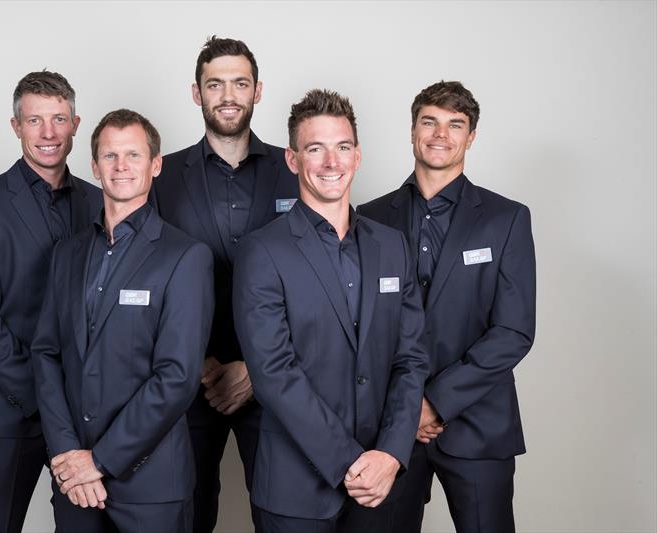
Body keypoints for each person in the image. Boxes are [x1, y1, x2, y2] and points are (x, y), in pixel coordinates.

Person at [232, 89, 429, 533]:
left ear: (357, 157)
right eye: (314, 149)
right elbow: (273, 373)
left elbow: (411, 358)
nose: (330, 162)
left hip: (382, 482)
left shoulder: (392, 246)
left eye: (341, 148)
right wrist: (350, 461)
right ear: (292, 159)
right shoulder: (262, 251)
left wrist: (390, 454)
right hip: (295, 489)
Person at [357, 80, 536, 533]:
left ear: (471, 137)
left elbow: (514, 330)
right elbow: (361, 325)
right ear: (413, 130)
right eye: (429, 122)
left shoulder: (506, 218)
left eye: (455, 125)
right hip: (387, 429)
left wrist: (435, 401)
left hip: (479, 426)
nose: (441, 134)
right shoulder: (369, 217)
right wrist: (405, 408)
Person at [31, 108, 214, 532]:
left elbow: (177, 378)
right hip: (74, 482)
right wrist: (66, 455)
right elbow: (46, 354)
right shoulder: (67, 254)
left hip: (151, 487)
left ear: (155, 165)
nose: (121, 167)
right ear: (94, 167)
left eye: (133, 155)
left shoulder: (185, 256)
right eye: (110, 156)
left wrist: (99, 460)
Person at [150, 35, 299, 532]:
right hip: (187, 383)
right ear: (197, 93)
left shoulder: (297, 170)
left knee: (284, 517)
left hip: (278, 379)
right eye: (216, 84)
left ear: (258, 91)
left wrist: (257, 369)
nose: (228, 94)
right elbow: (146, 282)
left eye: (240, 82)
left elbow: (319, 282)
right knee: (187, 518)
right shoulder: (160, 176)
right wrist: (195, 363)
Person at [0, 70, 102, 533]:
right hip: (8, 408)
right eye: (35, 121)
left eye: (59, 119)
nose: (48, 133)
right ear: (16, 126)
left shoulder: (102, 203)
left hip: (85, 418)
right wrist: (45, 395)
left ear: (76, 123)